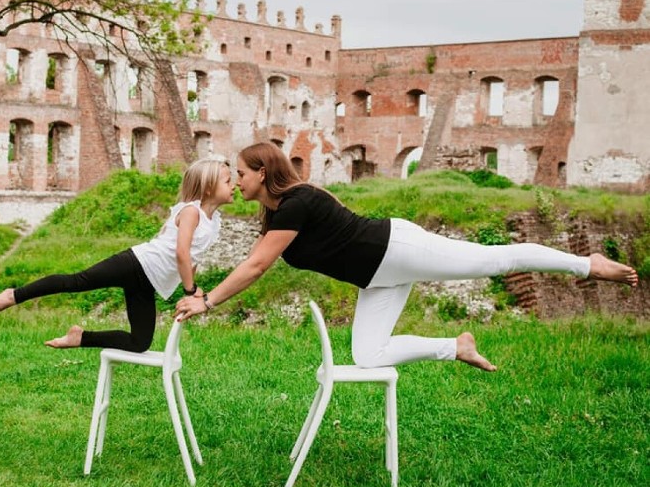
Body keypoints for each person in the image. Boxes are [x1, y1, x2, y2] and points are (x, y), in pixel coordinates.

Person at [175, 142, 639, 371]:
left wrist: (208, 301)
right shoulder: (277, 215)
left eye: (239, 173)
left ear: (262, 172)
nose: (237, 180)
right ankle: (455, 347)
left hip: (397, 248)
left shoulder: (296, 203)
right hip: (378, 277)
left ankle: (588, 264)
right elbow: (248, 255)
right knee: (367, 356)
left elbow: (257, 266)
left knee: (492, 260)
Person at [0, 157, 234, 352]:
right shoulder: (192, 212)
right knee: (77, 281)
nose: (233, 185)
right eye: (227, 181)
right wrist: (190, 291)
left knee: (140, 343)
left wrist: (194, 286)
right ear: (209, 188)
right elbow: (181, 254)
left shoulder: (214, 222)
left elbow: (192, 258)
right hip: (135, 264)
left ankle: (80, 337)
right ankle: (12, 296)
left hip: (148, 281)